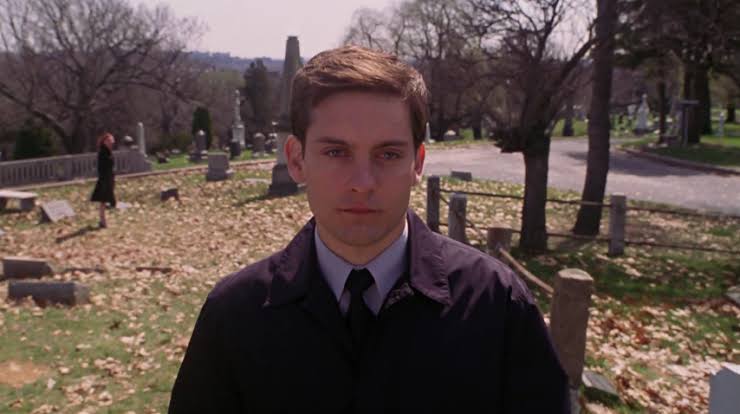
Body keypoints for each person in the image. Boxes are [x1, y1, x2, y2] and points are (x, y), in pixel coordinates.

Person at [169, 46, 569, 413]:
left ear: (417, 163)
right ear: (297, 160)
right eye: (336, 152)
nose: (362, 182)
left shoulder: (496, 306)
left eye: (388, 154)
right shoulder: (234, 317)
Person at [90, 132, 116, 228]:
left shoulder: (108, 151)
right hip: (104, 179)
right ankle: (102, 221)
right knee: (103, 200)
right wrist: (106, 179)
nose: (111, 142)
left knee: (104, 200)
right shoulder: (103, 152)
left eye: (112, 140)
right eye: (109, 140)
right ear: (104, 141)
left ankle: (103, 220)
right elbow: (102, 168)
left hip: (108, 178)